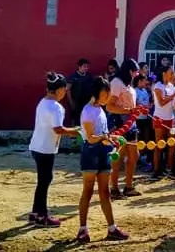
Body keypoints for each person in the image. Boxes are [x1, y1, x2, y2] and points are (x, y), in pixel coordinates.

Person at [76, 77, 128, 243]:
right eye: (105, 93)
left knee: (105, 192)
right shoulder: (87, 111)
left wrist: (111, 138)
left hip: (103, 152)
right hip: (90, 153)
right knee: (88, 191)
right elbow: (91, 138)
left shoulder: (100, 110)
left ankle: (112, 228)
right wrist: (104, 138)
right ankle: (82, 229)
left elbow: (100, 134)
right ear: (97, 92)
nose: (107, 97)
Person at [28, 72, 78, 227]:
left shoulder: (43, 102)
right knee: (45, 180)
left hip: (37, 146)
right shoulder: (56, 107)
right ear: (59, 89)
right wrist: (75, 131)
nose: (65, 92)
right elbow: (58, 129)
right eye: (64, 89)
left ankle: (36, 212)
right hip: (46, 148)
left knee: (42, 181)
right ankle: (42, 215)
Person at [107, 60, 141, 198]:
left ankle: (128, 186)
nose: (136, 74)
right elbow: (109, 106)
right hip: (119, 122)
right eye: (134, 71)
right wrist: (129, 110)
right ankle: (114, 188)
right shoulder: (116, 83)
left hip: (131, 122)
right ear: (128, 71)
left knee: (134, 155)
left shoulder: (127, 84)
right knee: (118, 156)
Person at [151, 64, 175, 179]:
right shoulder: (158, 86)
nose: (173, 74)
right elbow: (161, 102)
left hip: (171, 118)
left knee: (172, 144)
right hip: (160, 117)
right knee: (159, 144)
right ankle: (156, 170)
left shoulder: (172, 86)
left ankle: (169, 169)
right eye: (171, 72)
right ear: (164, 73)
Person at [66, 58, 94, 127]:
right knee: (74, 117)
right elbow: (68, 89)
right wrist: (71, 102)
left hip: (86, 102)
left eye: (87, 66)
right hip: (76, 101)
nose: (86, 68)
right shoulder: (73, 76)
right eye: (84, 66)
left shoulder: (89, 76)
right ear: (79, 67)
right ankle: (73, 134)